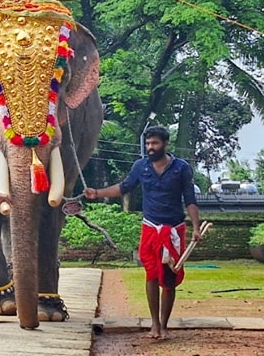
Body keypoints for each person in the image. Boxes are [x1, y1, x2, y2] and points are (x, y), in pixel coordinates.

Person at [80, 126, 202, 341]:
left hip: (174, 228)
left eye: (154, 143)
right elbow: (124, 187)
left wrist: (196, 227)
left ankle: (165, 325)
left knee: (170, 278)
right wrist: (97, 193)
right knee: (152, 275)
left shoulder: (181, 168)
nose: (150, 148)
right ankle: (154, 324)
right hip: (150, 228)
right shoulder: (141, 166)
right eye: (147, 144)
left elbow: (190, 200)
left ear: (165, 144)